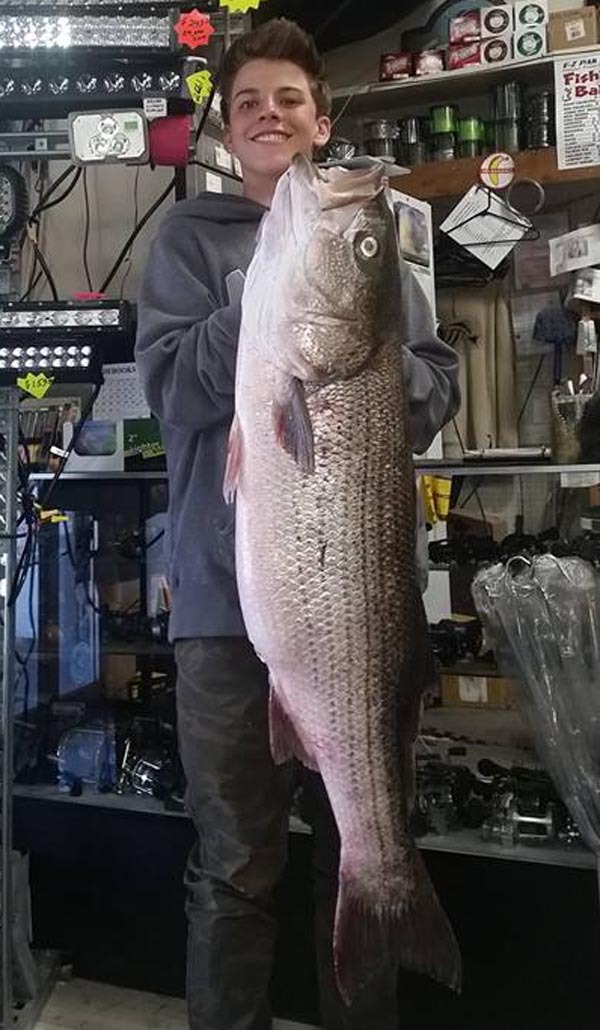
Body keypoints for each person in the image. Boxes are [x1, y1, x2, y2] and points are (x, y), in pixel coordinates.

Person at [135, 18, 460, 1030]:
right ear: (228, 133)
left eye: (289, 100)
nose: (269, 115)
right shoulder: (191, 241)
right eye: (247, 104)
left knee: (357, 847)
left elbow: (437, 382)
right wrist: (266, 308)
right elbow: (174, 392)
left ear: (320, 121)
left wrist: (356, 351)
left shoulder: (365, 239)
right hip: (225, 613)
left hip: (361, 608)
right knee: (235, 863)